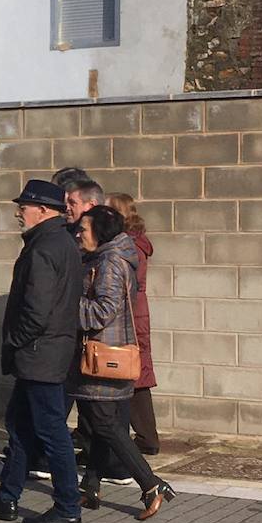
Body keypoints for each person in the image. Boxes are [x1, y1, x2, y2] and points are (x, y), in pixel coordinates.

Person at [0, 180, 84, 523]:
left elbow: (37, 309)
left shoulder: (45, 248)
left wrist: (17, 341)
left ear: (45, 211)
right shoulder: (57, 242)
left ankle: (67, 506)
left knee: (51, 431)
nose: (19, 212)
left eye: (25, 206)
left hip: (41, 355)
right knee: (19, 426)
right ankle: (7, 498)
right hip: (44, 353)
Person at [72, 206, 175, 520]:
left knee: (104, 423)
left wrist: (65, 306)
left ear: (100, 233)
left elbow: (103, 311)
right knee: (100, 423)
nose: (78, 234)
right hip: (107, 354)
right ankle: (90, 486)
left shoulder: (110, 262)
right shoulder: (107, 258)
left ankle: (151, 484)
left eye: (84, 230)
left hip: (104, 356)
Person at [107, 193, 159, 455]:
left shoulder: (129, 245)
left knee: (132, 374)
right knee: (135, 374)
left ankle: (145, 438)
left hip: (131, 314)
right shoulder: (136, 242)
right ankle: (143, 437)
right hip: (135, 312)